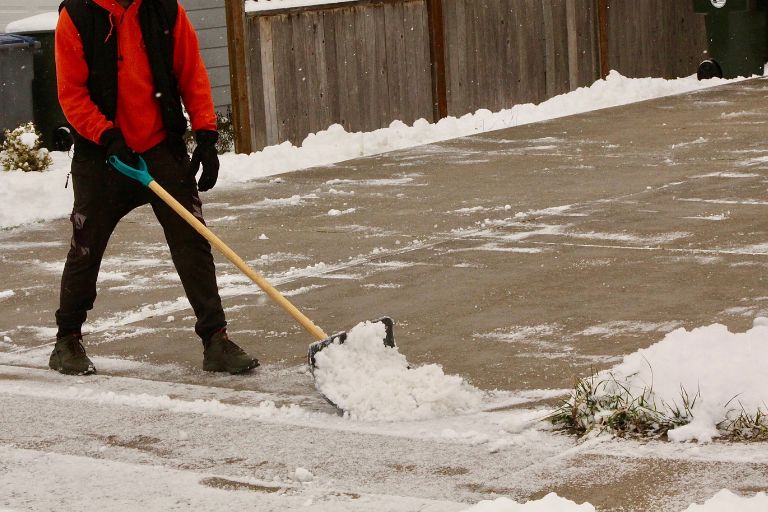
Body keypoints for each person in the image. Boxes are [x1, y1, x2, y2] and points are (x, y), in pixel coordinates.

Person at [50, 0, 258, 375]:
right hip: (103, 156)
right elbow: (72, 94)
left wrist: (207, 136)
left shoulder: (164, 8)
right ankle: (66, 340)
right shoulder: (77, 15)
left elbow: (190, 71)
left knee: (193, 240)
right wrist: (107, 135)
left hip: (159, 149)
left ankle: (216, 340)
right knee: (86, 246)